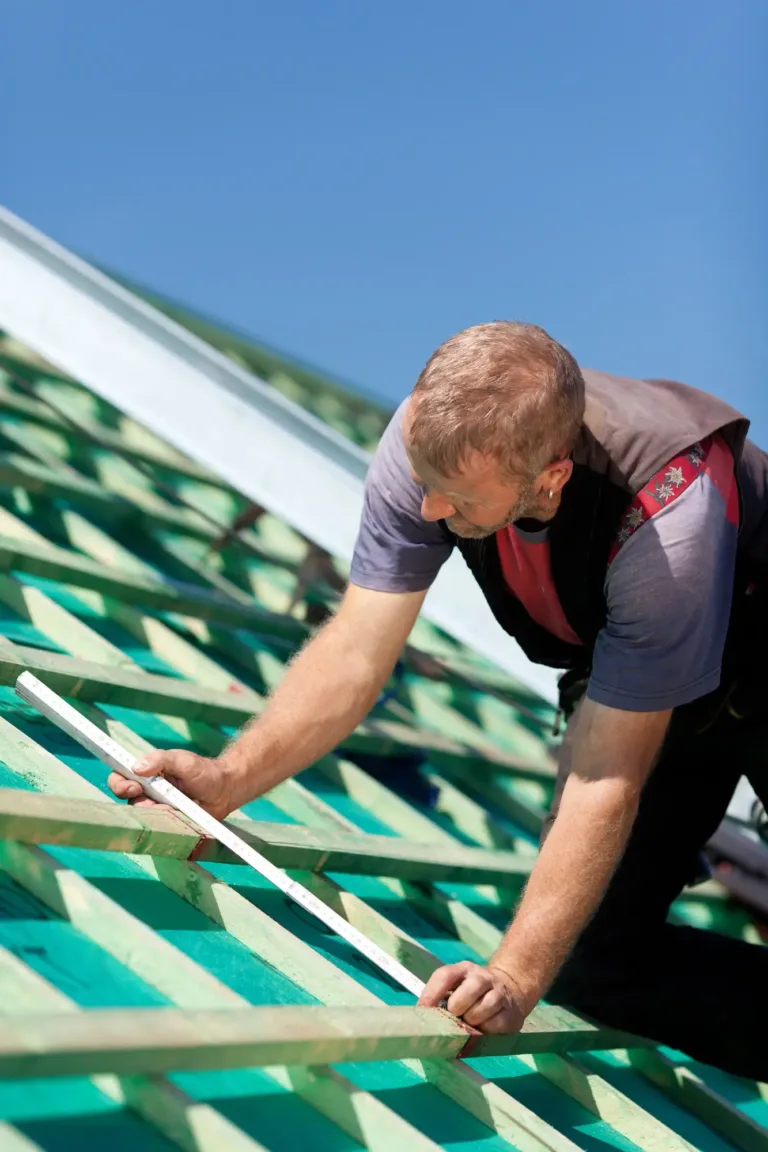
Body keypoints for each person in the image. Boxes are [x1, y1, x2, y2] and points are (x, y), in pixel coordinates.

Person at [109, 322, 768, 1078]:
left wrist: (514, 976)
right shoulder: (432, 440)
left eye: (453, 498)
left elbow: (606, 775)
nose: (426, 509)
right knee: (591, 959)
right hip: (652, 672)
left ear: (548, 480)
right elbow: (358, 649)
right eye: (426, 481)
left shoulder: (666, 516)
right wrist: (228, 779)